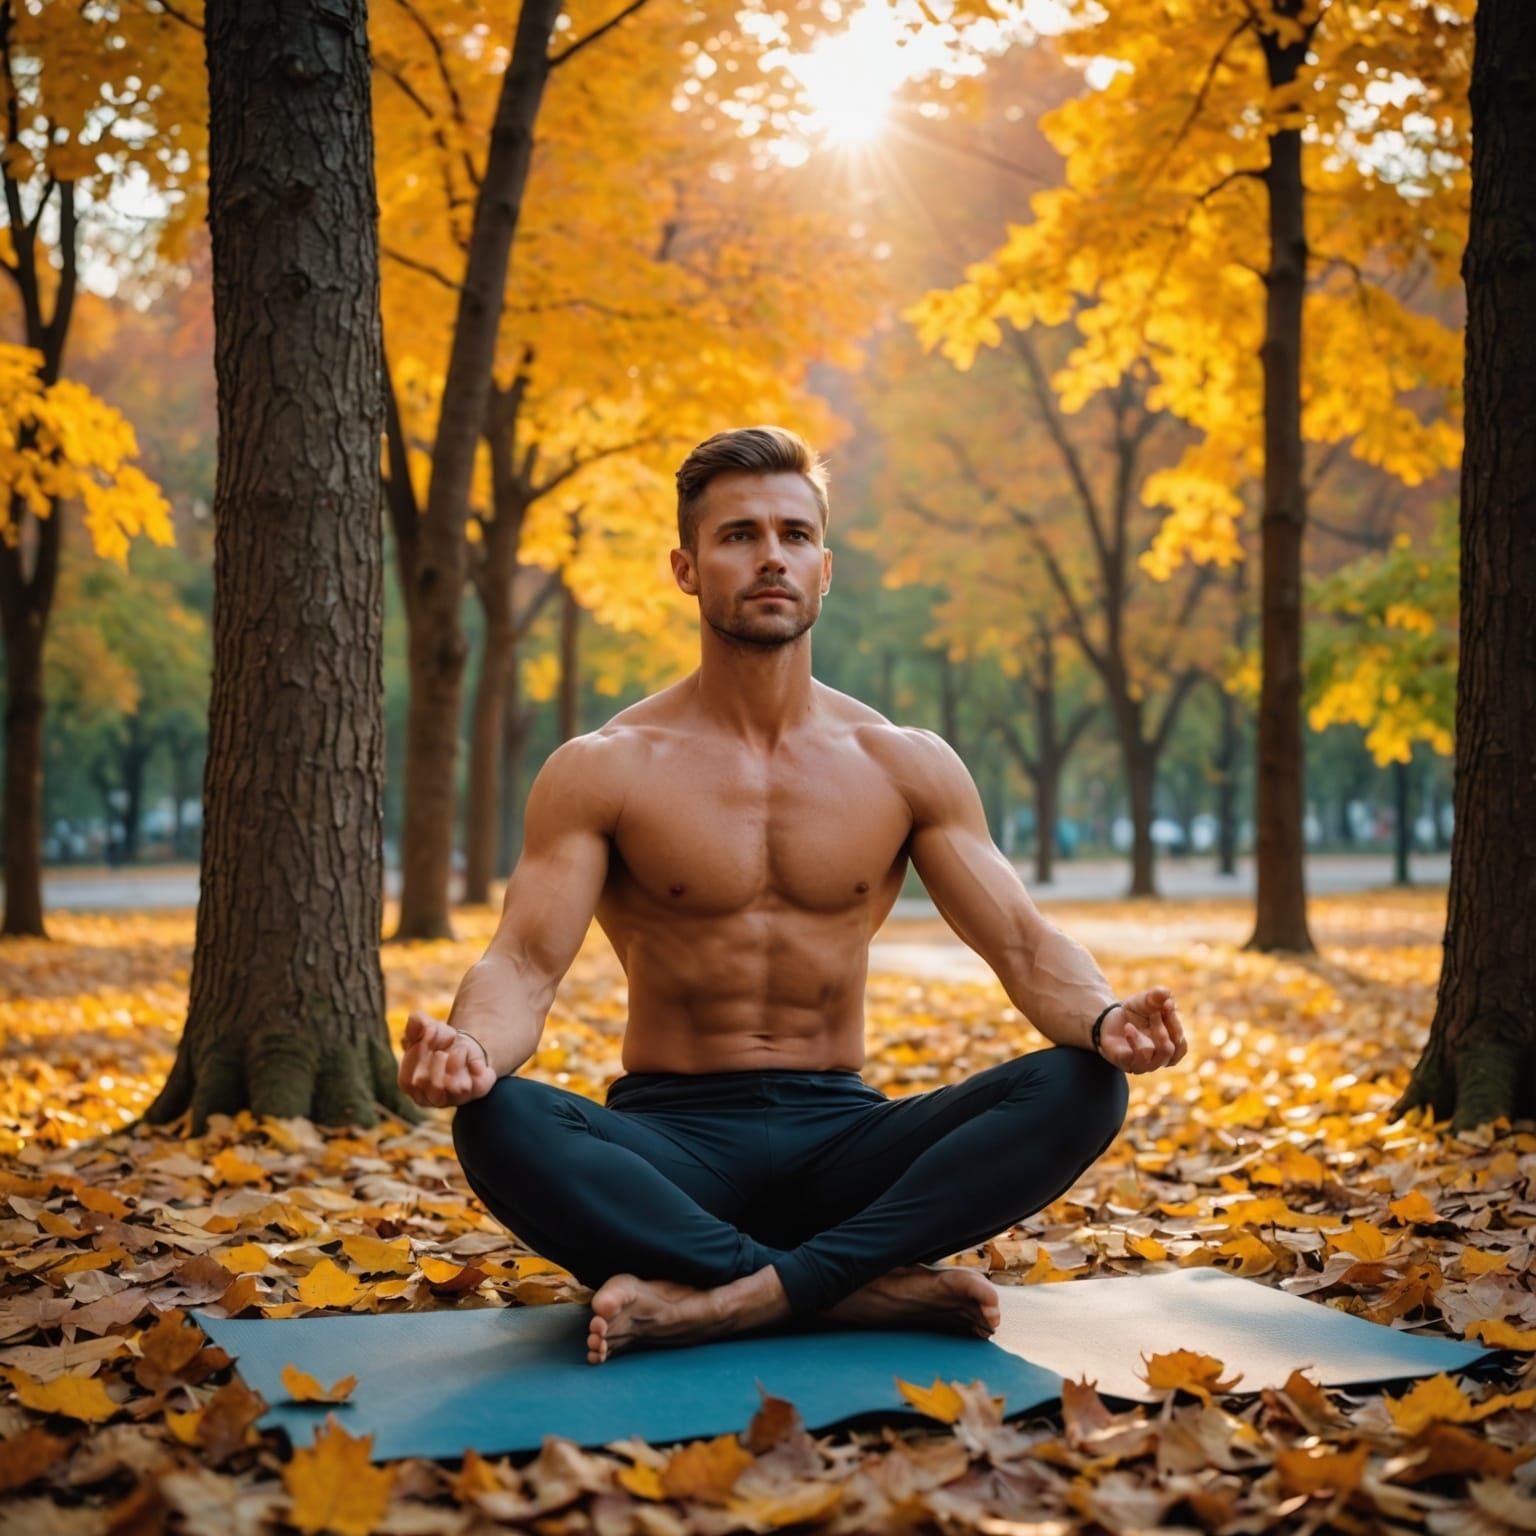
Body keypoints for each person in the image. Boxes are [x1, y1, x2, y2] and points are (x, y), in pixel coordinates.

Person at [399, 426, 1188, 1366]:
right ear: (687, 569)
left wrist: (1104, 1019)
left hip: (842, 1141)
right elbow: (523, 966)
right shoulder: (604, 769)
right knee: (498, 1119)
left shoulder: (904, 763)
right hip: (669, 1149)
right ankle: (854, 1288)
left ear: (825, 568)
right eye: (738, 536)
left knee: (1080, 1085)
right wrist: (471, 1048)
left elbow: (1022, 943)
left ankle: (731, 1297)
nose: (771, 556)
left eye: (794, 535)